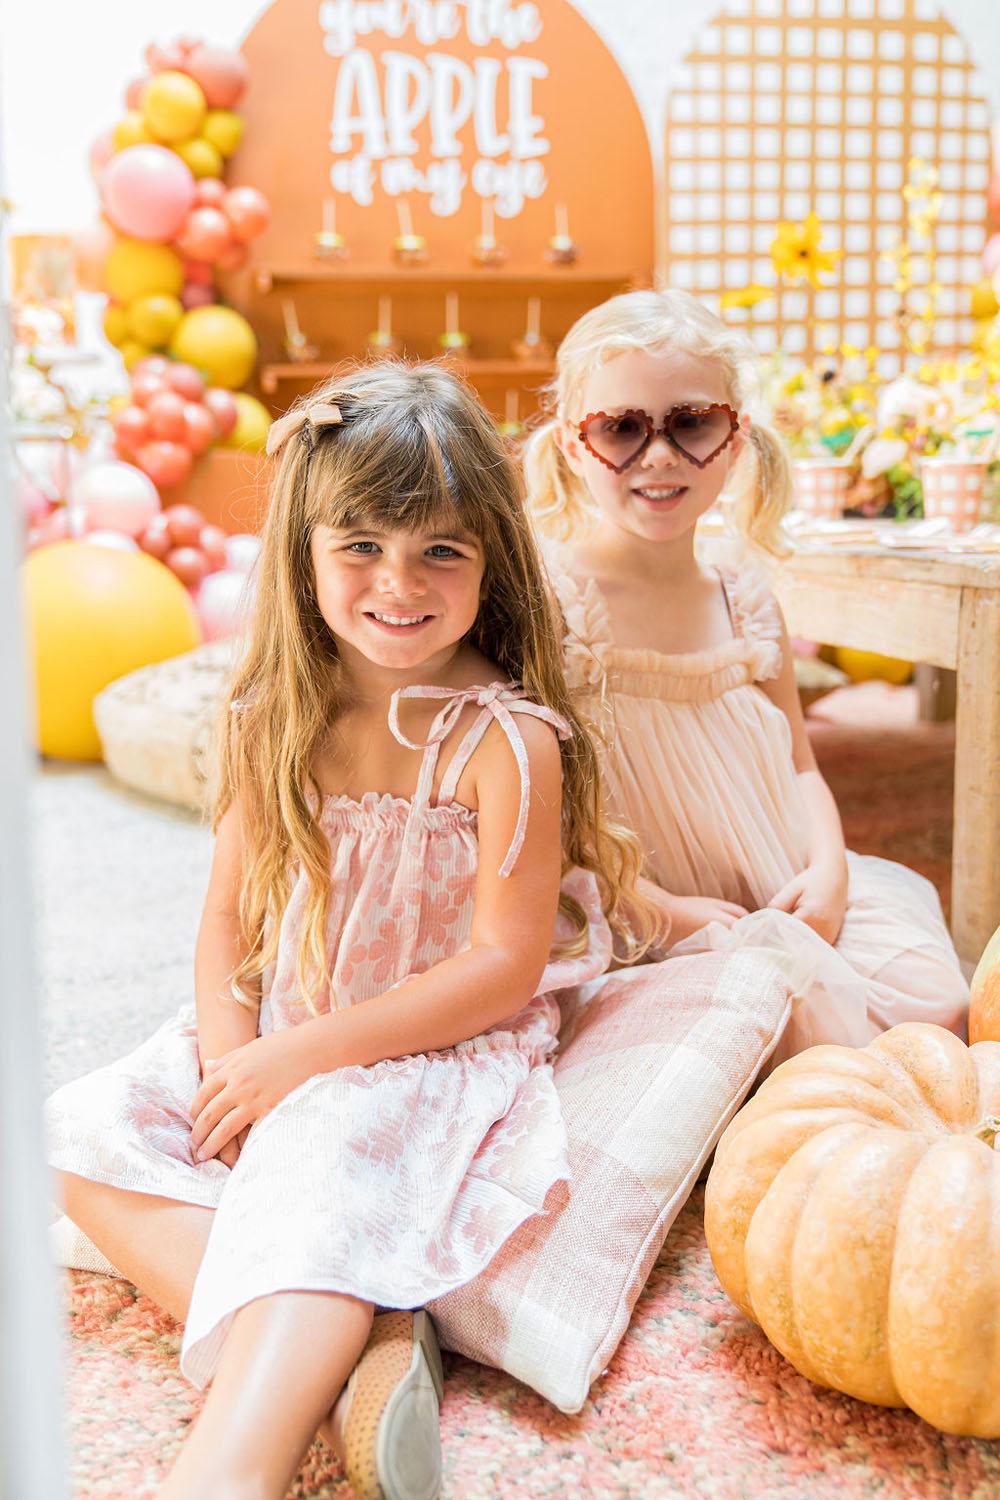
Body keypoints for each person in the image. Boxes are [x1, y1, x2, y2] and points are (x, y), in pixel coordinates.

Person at [47, 362, 647, 1500]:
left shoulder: (505, 740)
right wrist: (233, 1068)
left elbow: (501, 967)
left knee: (316, 1170)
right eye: (361, 545)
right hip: (282, 1029)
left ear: (491, 560)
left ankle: (228, 1470)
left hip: (419, 1052)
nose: (398, 583)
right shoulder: (273, 717)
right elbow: (227, 925)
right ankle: (356, 1358)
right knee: (79, 1130)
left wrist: (300, 1064)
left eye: (440, 550)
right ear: (305, 552)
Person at [523, 287, 968, 1062]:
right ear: (571, 444)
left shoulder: (744, 593)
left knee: (934, 1000)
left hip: (779, 889)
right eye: (621, 427)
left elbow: (801, 764)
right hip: (638, 914)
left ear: (736, 439)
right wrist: (660, 912)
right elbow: (534, 809)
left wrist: (829, 874)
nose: (659, 456)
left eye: (692, 422)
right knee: (727, 1036)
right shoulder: (552, 603)